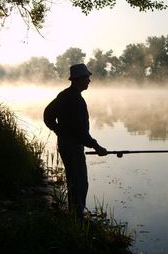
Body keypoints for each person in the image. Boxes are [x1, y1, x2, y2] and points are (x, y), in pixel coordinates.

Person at [43, 63, 107, 219]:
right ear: (78, 79)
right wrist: (96, 146)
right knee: (79, 182)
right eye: (87, 78)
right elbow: (80, 132)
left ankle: (75, 214)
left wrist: (59, 131)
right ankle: (77, 218)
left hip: (66, 144)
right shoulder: (75, 100)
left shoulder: (65, 95)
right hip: (72, 146)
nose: (89, 81)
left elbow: (47, 115)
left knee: (74, 179)